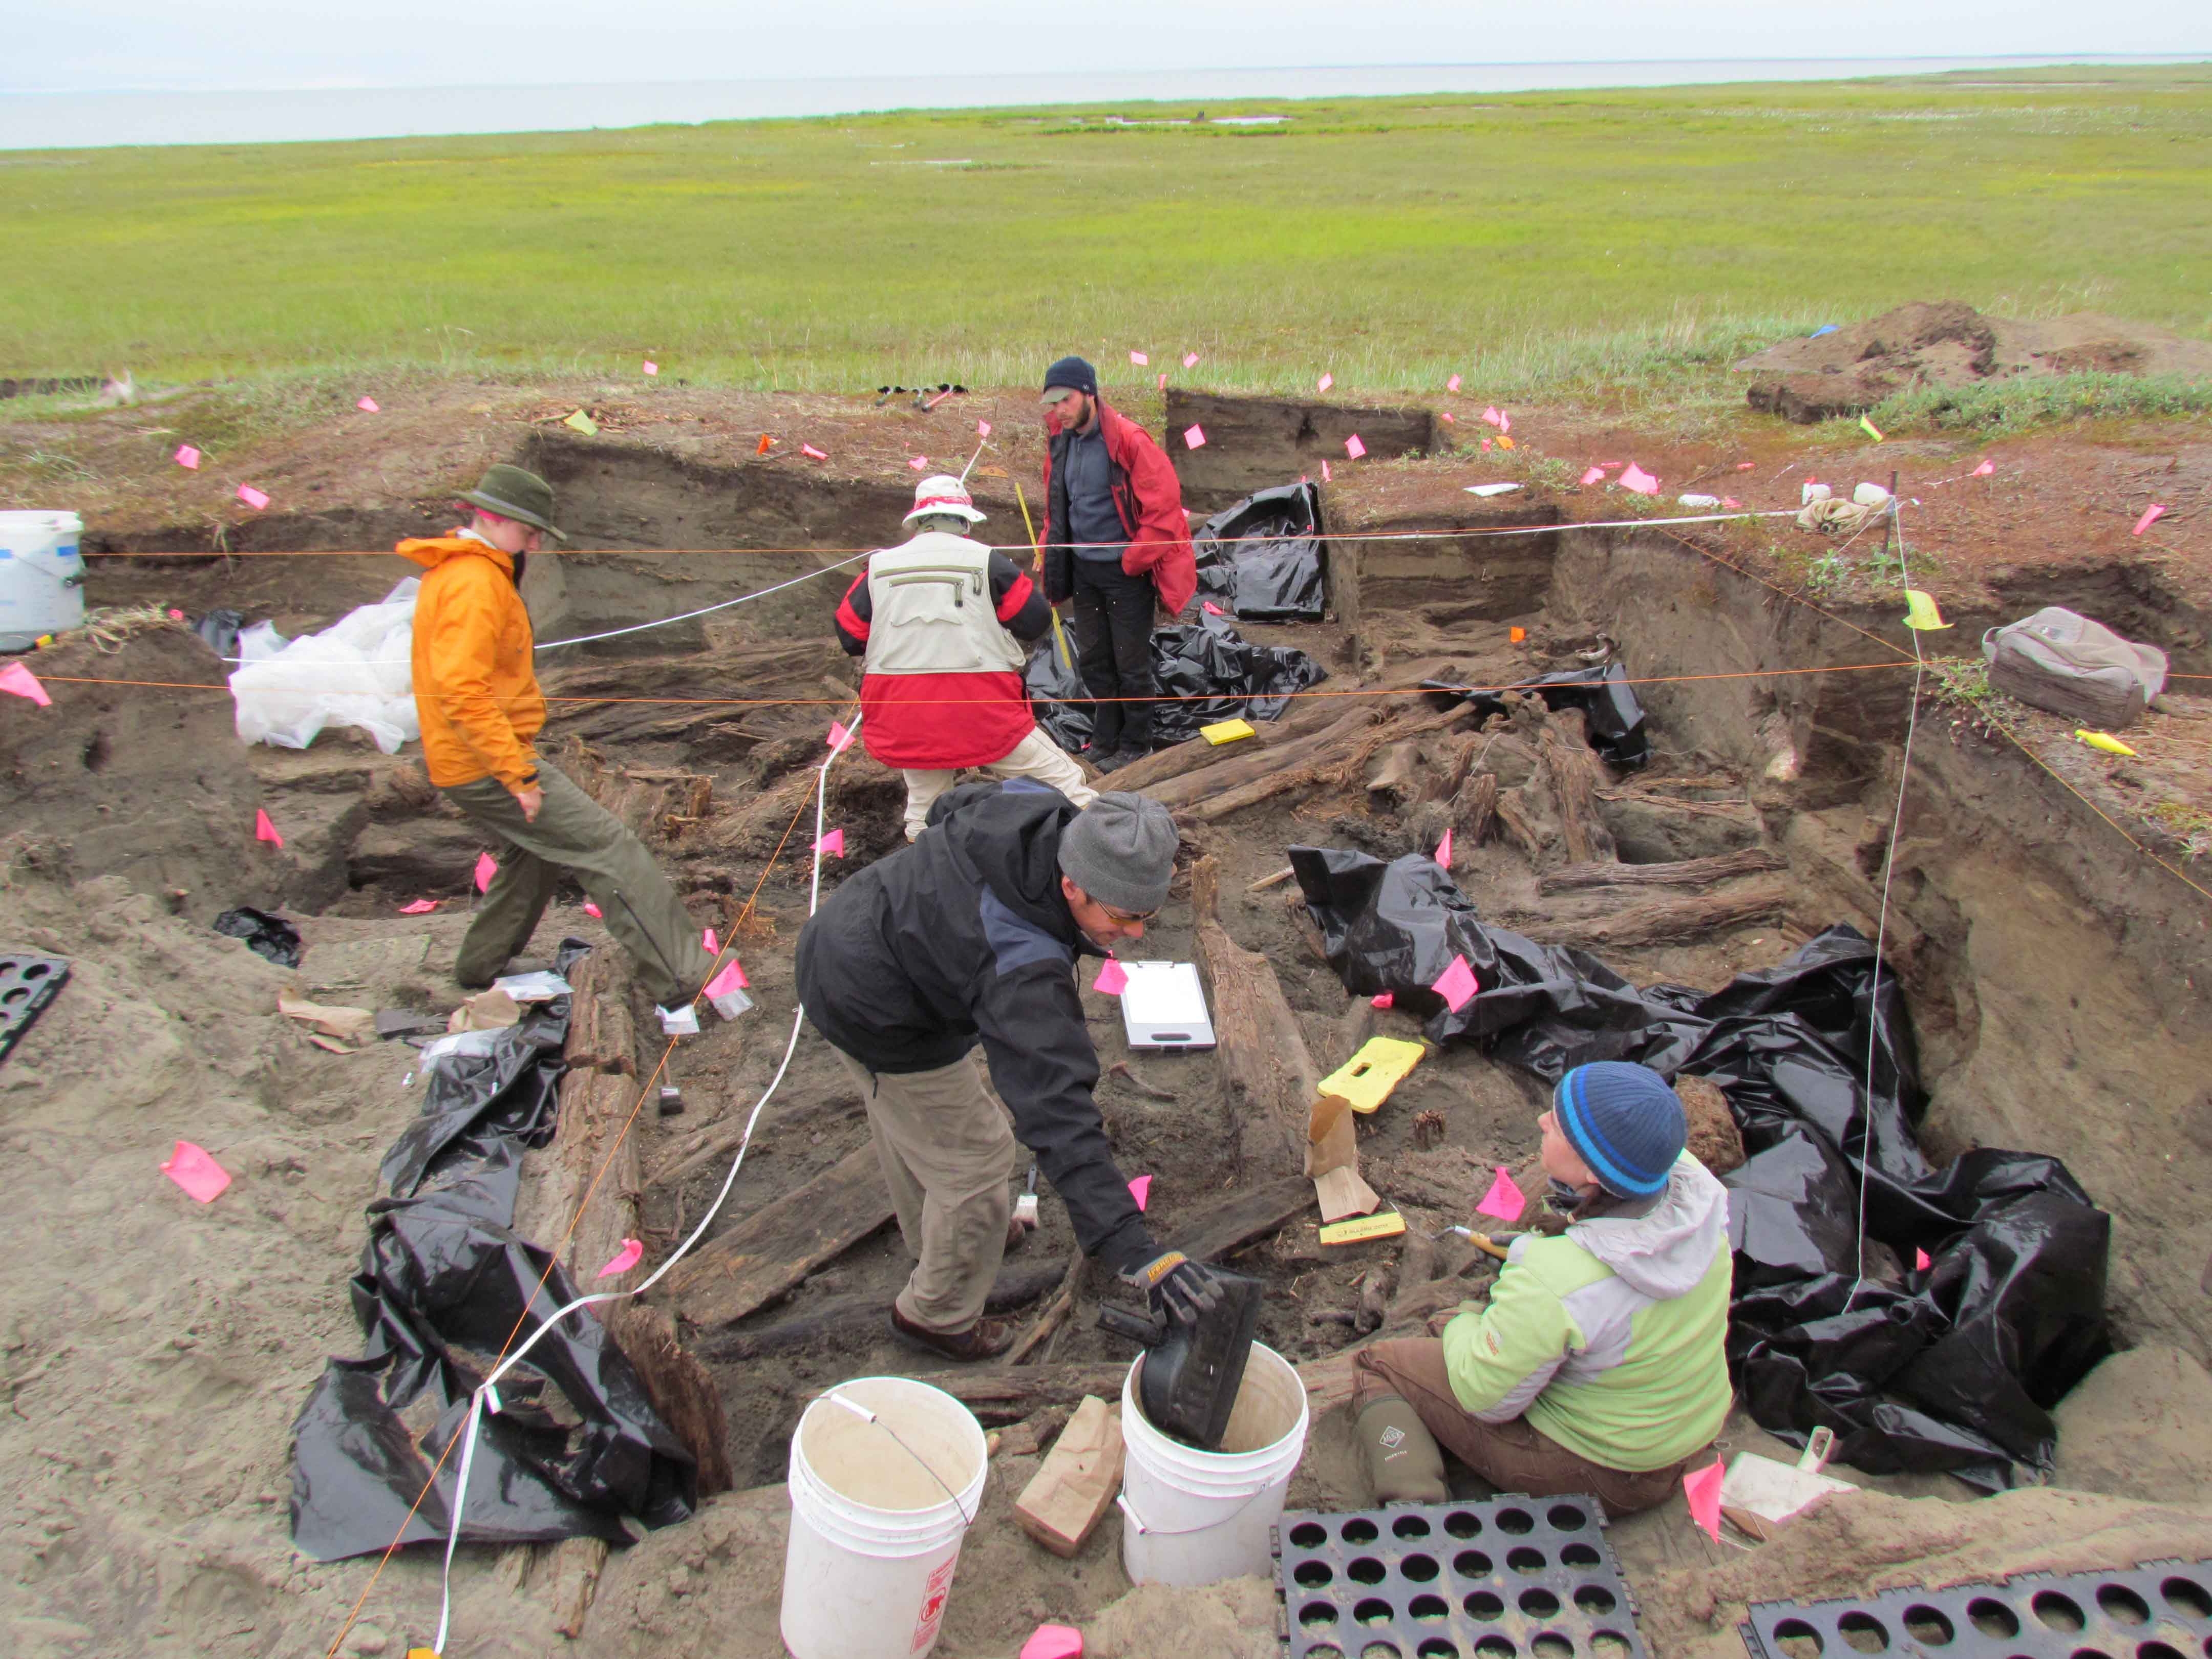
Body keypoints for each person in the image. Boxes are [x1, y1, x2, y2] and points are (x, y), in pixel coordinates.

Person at [794, 785, 1220, 1361]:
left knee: (915, 1120)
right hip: (871, 1002)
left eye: (1147, 916)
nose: (1137, 934)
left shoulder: (1037, 809)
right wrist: (1131, 1246)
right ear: (1072, 886)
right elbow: (1057, 1112)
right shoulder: (1021, 965)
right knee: (976, 1159)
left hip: (859, 921)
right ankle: (935, 1316)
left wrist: (942, 899)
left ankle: (944, 1240)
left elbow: (950, 807)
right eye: (1124, 917)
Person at [400, 463, 724, 1020]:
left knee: (535, 852)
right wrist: (519, 774)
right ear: (491, 517)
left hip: (472, 755)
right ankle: (683, 976)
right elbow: (462, 691)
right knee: (609, 846)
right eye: (529, 532)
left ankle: (480, 965)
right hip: (483, 762)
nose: (535, 545)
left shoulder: (469, 571)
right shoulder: (474, 583)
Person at [1349, 1062, 1733, 1516]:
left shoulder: (1556, 1279)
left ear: (1593, 1173)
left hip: (1608, 1472)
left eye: (1560, 1127)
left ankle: (1415, 1514)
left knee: (1382, 1362)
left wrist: (1465, 1321)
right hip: (1687, 1432)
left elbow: (1484, 1398)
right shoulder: (1694, 1195)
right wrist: (1538, 1251)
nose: (1542, 1120)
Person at [834, 473, 1098, 841]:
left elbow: (850, 636)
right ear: (965, 521)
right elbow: (1034, 621)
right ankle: (1100, 848)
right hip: (981, 710)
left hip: (905, 713)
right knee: (1065, 783)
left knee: (925, 808)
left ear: (917, 521)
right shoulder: (987, 561)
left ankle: (923, 863)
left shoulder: (878, 568)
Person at [1037, 354, 1197, 773]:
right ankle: (1106, 735)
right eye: (1053, 403)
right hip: (1084, 570)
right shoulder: (1061, 443)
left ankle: (1137, 742)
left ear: (1089, 393)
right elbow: (1057, 505)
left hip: (1127, 572)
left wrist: (1130, 561)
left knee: (1130, 660)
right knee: (1094, 658)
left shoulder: (1130, 441)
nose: (1060, 410)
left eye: (1067, 400)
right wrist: (1049, 546)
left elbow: (1163, 512)